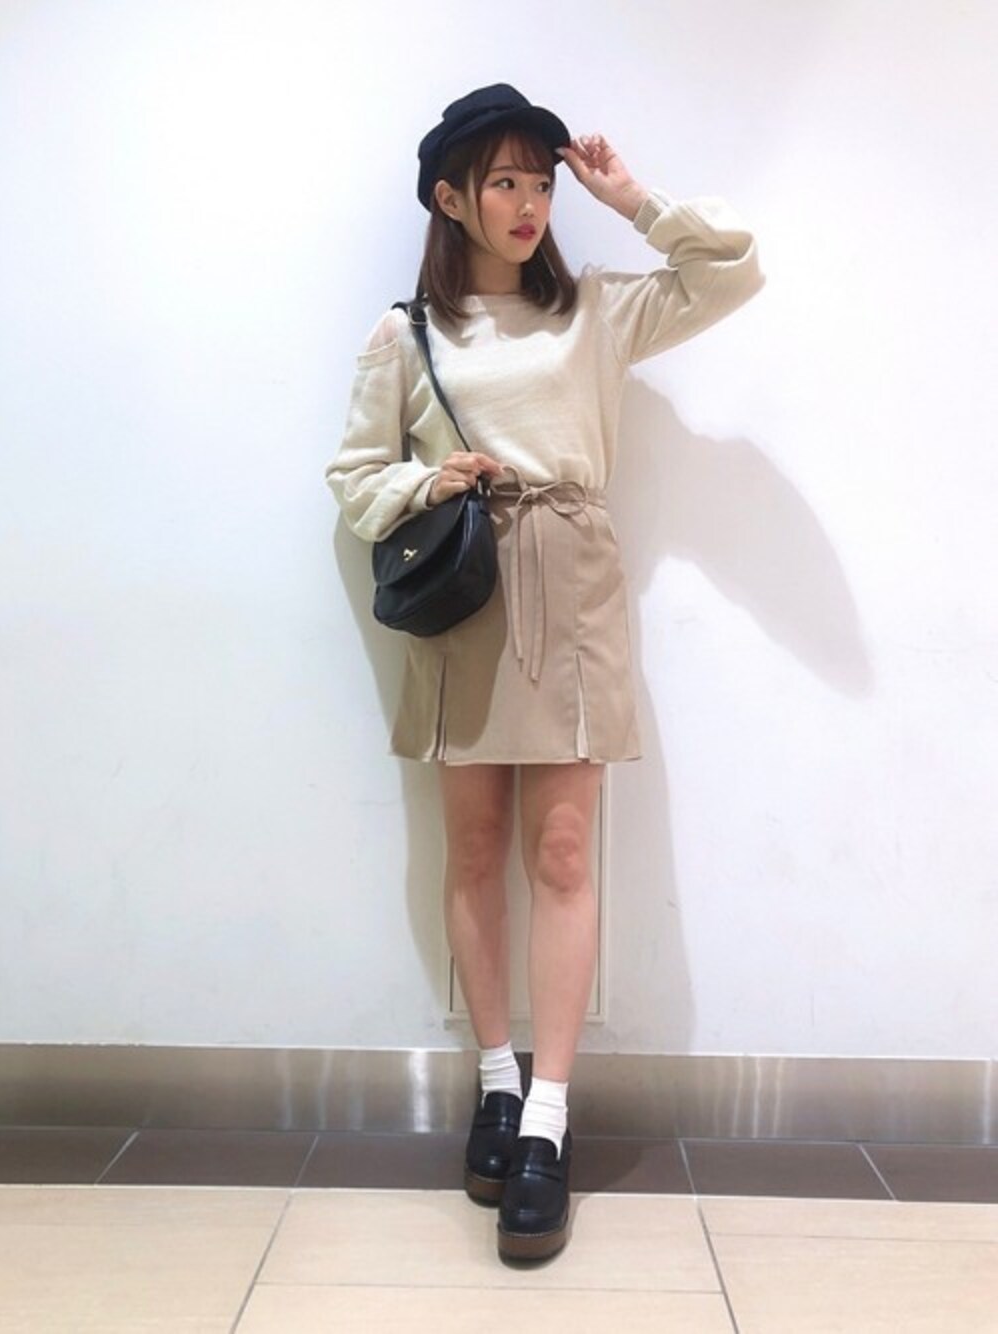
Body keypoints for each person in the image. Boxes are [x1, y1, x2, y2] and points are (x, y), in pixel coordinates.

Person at [325, 82, 764, 1262]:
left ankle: (549, 1121)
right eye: (503, 181)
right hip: (468, 592)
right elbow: (353, 475)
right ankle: (495, 1083)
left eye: (541, 180)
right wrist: (428, 480)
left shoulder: (598, 310)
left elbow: (731, 270)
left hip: (572, 585)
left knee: (561, 853)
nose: (528, 203)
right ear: (449, 197)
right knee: (471, 850)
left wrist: (632, 199)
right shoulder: (407, 333)